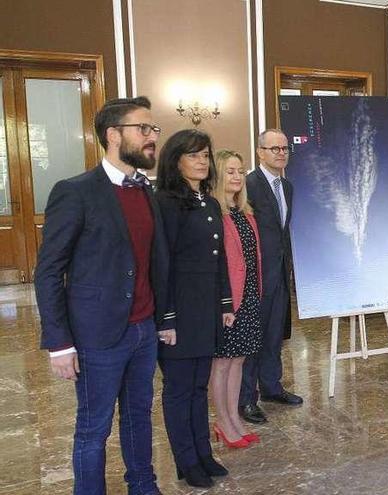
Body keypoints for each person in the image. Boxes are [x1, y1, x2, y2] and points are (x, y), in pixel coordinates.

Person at [34, 96, 166, 495]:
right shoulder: (75, 192)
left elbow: (153, 263)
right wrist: (59, 343)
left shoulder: (147, 191)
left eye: (153, 130)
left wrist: (164, 319)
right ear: (113, 135)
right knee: (93, 428)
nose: (151, 138)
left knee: (139, 417)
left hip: (143, 330)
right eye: (143, 129)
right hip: (96, 336)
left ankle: (142, 485)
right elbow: (49, 271)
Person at [155, 129, 234, 488]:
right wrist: (166, 317)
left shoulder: (210, 203)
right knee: (179, 389)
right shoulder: (167, 203)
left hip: (205, 309)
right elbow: (161, 264)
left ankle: (203, 454)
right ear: (176, 161)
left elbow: (218, 261)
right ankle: (186, 463)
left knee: (199, 387)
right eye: (193, 155)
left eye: (205, 155)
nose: (202, 161)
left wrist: (225, 303)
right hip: (179, 312)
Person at [240, 129, 302, 425]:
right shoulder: (248, 185)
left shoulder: (287, 186)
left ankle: (271, 387)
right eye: (274, 148)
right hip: (256, 274)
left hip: (280, 270)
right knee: (254, 335)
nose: (281, 152)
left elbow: (282, 230)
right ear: (260, 152)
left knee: (275, 332)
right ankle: (246, 399)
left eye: (284, 148)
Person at [209, 149, 263, 448]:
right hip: (228, 301)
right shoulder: (214, 213)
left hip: (250, 296)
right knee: (222, 363)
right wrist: (223, 302)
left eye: (240, 171)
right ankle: (222, 421)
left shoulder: (245, 212)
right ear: (218, 175)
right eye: (230, 171)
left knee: (239, 360)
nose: (237, 176)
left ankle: (233, 417)